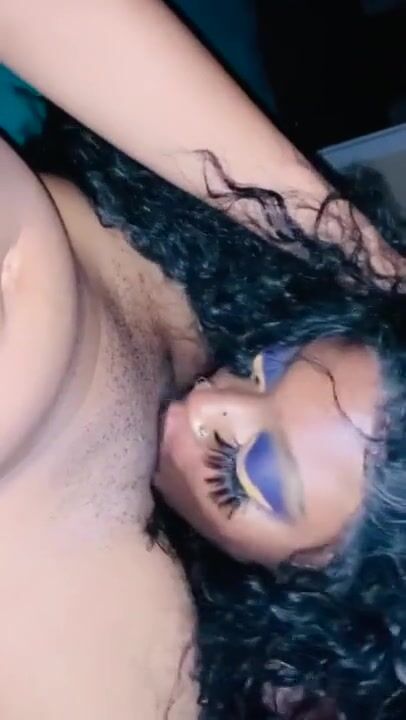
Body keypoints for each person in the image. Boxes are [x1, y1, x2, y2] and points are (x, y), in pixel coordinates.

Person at [1, 0, 406, 717]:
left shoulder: (132, 657)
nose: (212, 402)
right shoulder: (223, 255)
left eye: (240, 472)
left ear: (294, 598)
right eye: (269, 368)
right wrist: (354, 249)